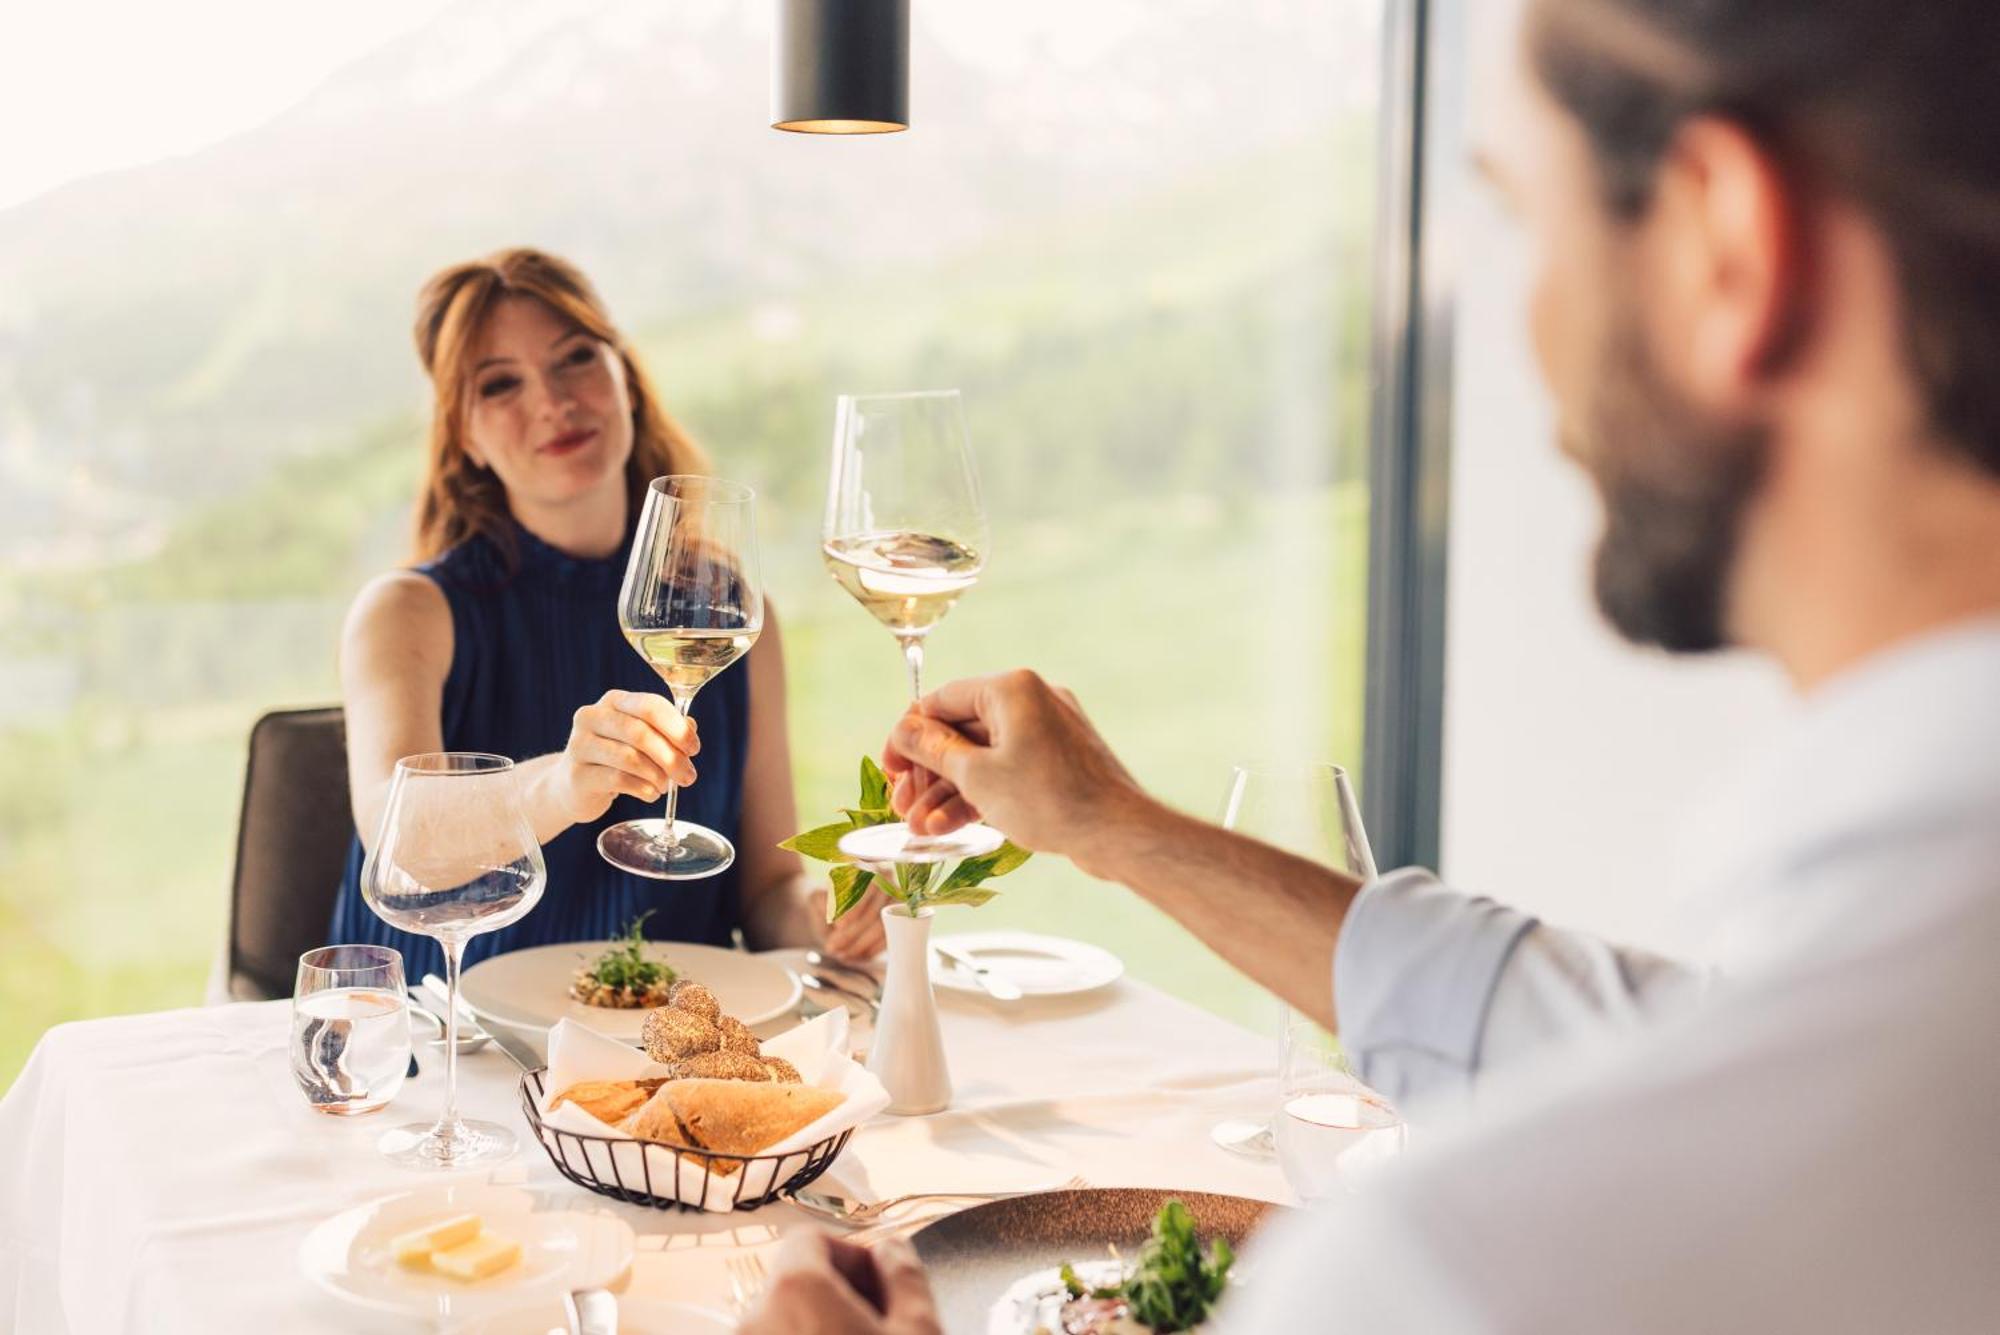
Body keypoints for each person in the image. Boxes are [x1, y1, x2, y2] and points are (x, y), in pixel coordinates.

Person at [740, 0, 2000, 1329]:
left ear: (1723, 244)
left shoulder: (1459, 1270)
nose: (1530, 337)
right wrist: (1114, 824)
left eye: (1527, 220)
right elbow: (1607, 1023)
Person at [328, 248, 886, 977]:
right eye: (500, 384)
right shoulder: (406, 614)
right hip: (450, 1046)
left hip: (661, 1045)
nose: (553, 402)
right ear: (462, 435)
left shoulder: (738, 615)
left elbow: (766, 893)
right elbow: (400, 840)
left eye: (576, 359)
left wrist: (822, 914)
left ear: (626, 378)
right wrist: (563, 784)